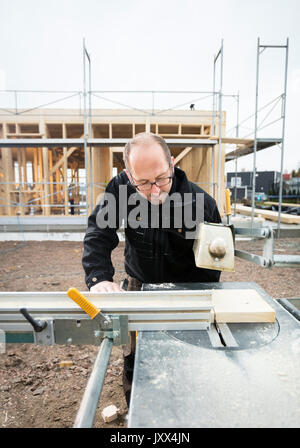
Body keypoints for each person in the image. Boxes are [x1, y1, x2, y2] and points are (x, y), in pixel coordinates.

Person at [82, 132, 222, 406]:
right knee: (136, 358)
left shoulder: (200, 203)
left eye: (161, 178)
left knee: (186, 355)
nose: (155, 190)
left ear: (171, 163)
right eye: (143, 183)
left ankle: (186, 408)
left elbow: (212, 266)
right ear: (128, 175)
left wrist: (196, 304)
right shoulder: (121, 189)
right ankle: (138, 413)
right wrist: (98, 277)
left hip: (187, 287)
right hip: (139, 284)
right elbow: (99, 231)